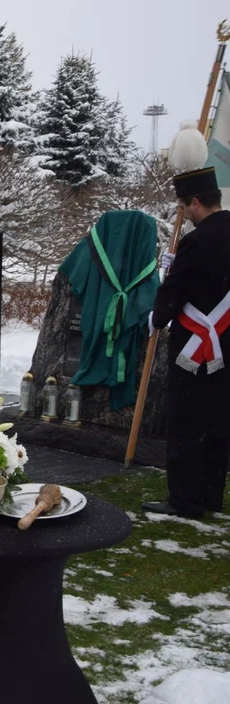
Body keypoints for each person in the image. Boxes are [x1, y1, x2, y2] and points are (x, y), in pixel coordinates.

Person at [144, 166, 230, 519]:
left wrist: (156, 317)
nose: (183, 213)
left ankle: (184, 500)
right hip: (227, 346)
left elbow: (177, 290)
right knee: (219, 423)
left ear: (195, 202)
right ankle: (211, 495)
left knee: (186, 422)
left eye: (183, 206)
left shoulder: (195, 241)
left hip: (195, 349)